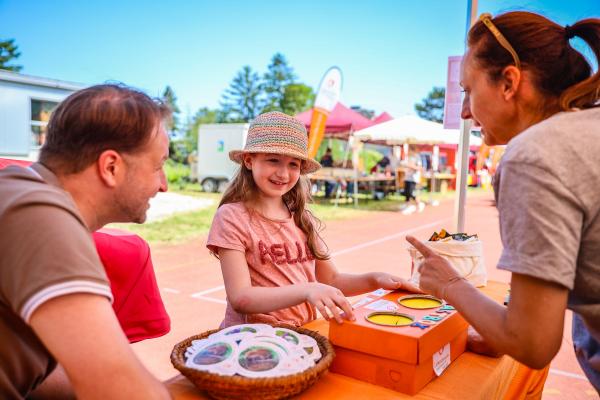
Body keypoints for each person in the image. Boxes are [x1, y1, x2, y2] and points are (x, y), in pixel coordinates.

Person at [407, 11, 600, 393]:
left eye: (468, 90)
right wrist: (503, 329)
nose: (464, 111)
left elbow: (533, 344)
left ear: (509, 82)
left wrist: (450, 284)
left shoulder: (537, 154)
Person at [0, 84, 172, 399]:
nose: (164, 185)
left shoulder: (17, 192)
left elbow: (38, 375)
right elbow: (119, 387)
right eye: (159, 166)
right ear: (111, 167)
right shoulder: (38, 216)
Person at [206, 111, 420, 328]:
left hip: (301, 336)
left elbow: (332, 280)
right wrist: (308, 289)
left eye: (293, 165)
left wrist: (375, 279)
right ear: (249, 160)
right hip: (254, 341)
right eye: (273, 160)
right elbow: (241, 297)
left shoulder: (301, 217)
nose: (283, 173)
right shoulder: (232, 216)